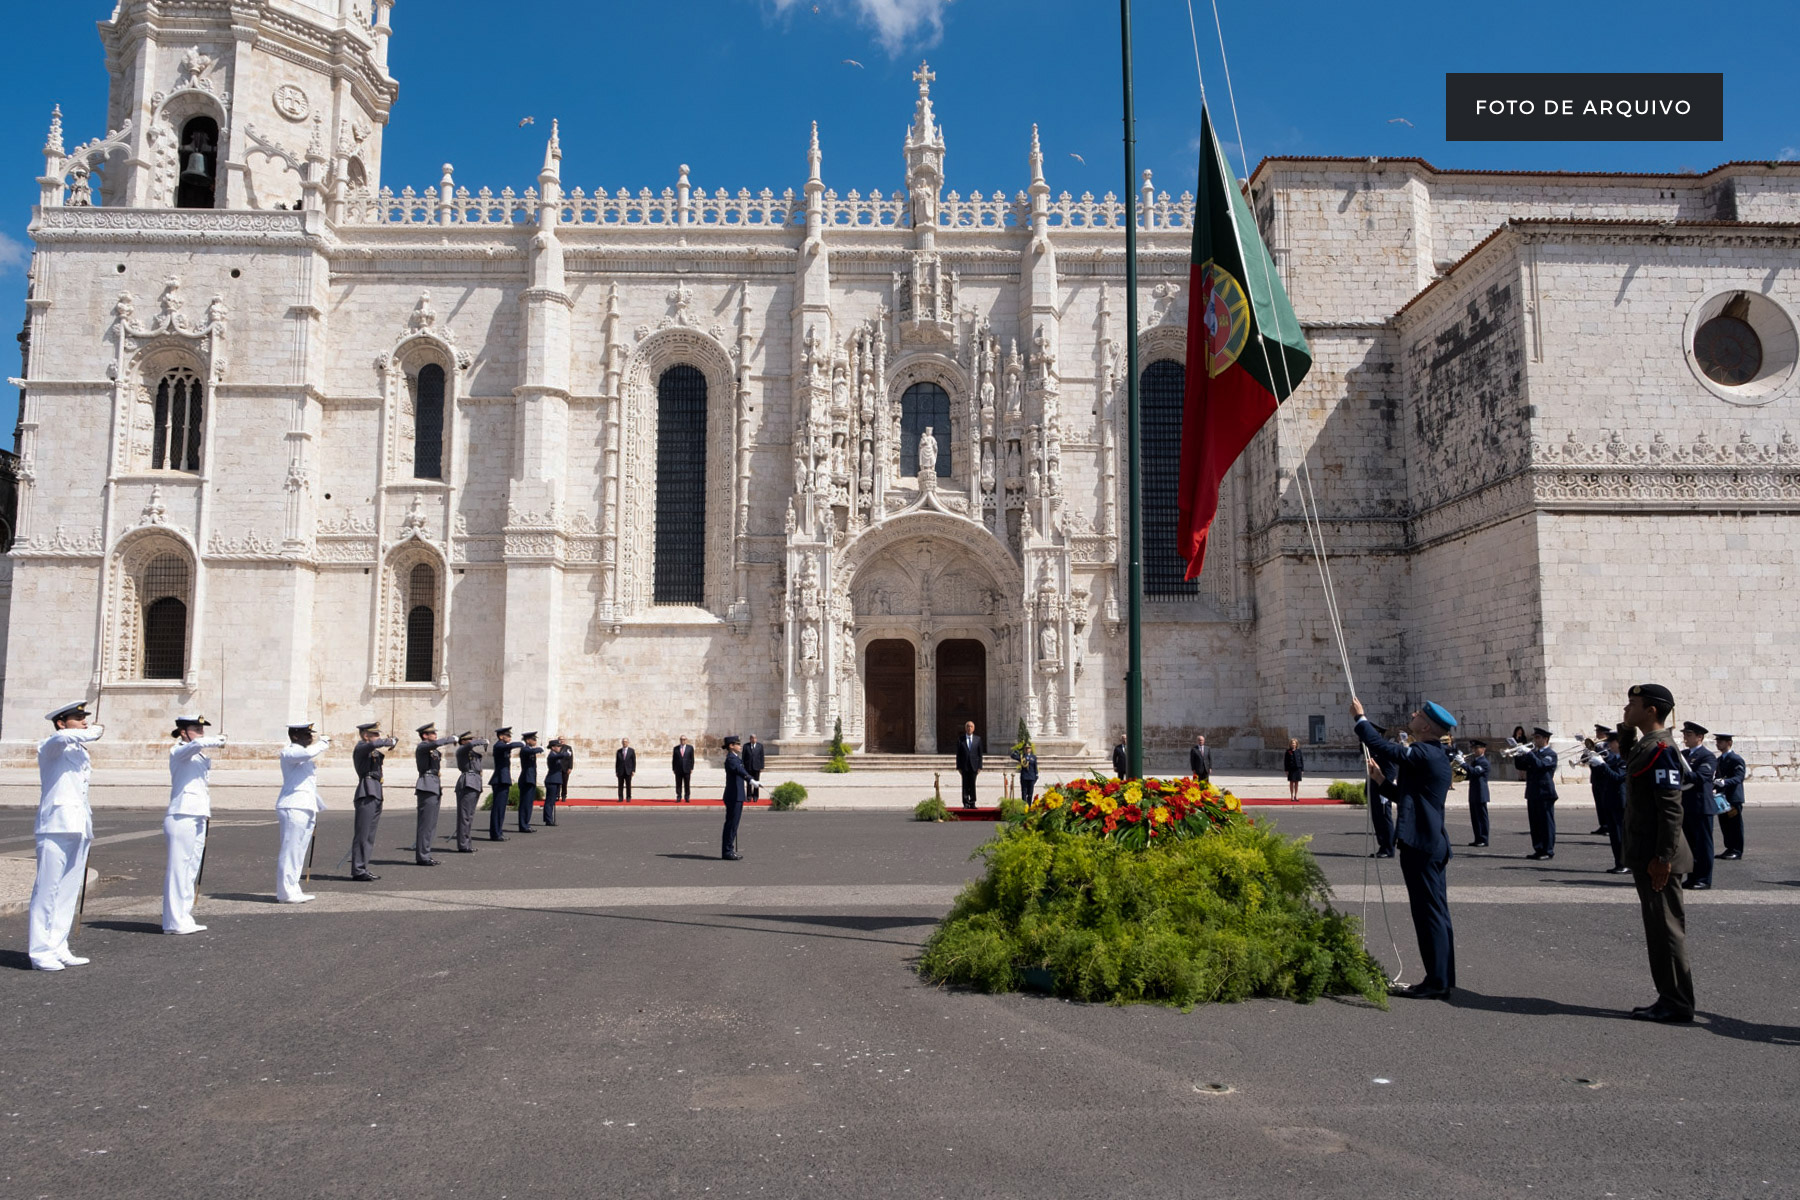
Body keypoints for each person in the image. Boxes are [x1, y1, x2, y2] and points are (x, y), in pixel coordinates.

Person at [1352, 696, 1458, 1000]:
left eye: (1418, 714)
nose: (1412, 715)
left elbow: (1387, 748)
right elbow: (1411, 798)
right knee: (1435, 912)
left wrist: (1361, 719)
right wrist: (1382, 781)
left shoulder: (1425, 751)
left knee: (1429, 914)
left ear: (1425, 725)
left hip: (1422, 844)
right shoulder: (1432, 753)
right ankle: (1441, 977)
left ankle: (1437, 982)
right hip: (1429, 841)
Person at [1616, 683, 1695, 1023]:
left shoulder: (1662, 748)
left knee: (1666, 930)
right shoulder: (1647, 745)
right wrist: (1625, 729)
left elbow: (1671, 809)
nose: (1626, 708)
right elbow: (1630, 758)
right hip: (1649, 854)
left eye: (1632, 704)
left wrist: (1662, 857)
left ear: (1651, 710)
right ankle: (1669, 996)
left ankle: (1677, 1003)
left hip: (1657, 857)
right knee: (1658, 928)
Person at [29, 702, 103, 971]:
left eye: (85, 717)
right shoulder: (51, 745)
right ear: (61, 722)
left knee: (69, 890)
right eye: (78, 717)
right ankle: (39, 951)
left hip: (79, 824)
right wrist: (92, 732)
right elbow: (62, 738)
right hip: (55, 825)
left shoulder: (79, 750)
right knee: (47, 890)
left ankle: (58, 945)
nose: (84, 722)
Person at [164, 714, 225, 934]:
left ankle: (183, 915)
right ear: (183, 732)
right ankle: (172, 921)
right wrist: (217, 740)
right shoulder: (179, 750)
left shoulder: (197, 754)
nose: (201, 733)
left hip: (197, 814)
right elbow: (197, 744)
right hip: (182, 814)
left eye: (202, 729)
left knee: (191, 869)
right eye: (196, 729)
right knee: (179, 869)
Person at [276, 721, 330, 902]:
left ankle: (293, 888)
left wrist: (319, 804)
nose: (310, 738)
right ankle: (285, 892)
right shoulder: (290, 751)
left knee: (299, 851)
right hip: (293, 806)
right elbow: (306, 753)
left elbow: (308, 785)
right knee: (290, 850)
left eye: (311, 735)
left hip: (305, 806)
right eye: (307, 735)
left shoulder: (304, 757)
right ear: (295, 736)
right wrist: (322, 743)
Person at [349, 722, 397, 881]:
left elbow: (376, 749)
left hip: (375, 789)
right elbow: (374, 745)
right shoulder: (361, 747)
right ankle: (358, 869)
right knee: (363, 833)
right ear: (365, 735)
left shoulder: (372, 750)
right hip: (367, 790)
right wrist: (387, 742)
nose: (378, 737)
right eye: (375, 734)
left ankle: (362, 867)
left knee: (369, 834)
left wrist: (391, 742)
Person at [1677, 721, 1716, 890]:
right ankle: (1692, 876)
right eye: (1685, 734)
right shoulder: (1684, 754)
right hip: (1686, 805)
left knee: (1703, 845)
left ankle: (1703, 878)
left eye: (1689, 735)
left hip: (1701, 806)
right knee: (1690, 845)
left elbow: (1702, 776)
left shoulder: (1707, 756)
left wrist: (1685, 773)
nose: (1685, 737)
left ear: (1699, 737)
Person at [412, 722, 457, 865]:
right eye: (432, 733)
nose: (435, 734)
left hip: (434, 785)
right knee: (425, 823)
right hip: (427, 785)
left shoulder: (432, 749)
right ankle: (422, 856)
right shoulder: (423, 746)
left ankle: (425, 854)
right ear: (425, 735)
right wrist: (450, 739)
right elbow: (435, 744)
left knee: (431, 824)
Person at [1587, 732, 1631, 874]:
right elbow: (1602, 776)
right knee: (1614, 835)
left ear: (1620, 743)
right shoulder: (1612, 759)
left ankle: (1625, 863)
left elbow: (1618, 778)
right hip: (1610, 800)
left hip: (1621, 802)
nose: (1609, 745)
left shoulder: (1626, 760)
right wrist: (1594, 763)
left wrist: (1602, 765)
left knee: (1621, 835)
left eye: (1612, 742)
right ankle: (1618, 862)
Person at [1514, 727, 1559, 859]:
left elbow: (1540, 765)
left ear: (1546, 739)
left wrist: (1528, 753)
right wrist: (1518, 753)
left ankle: (1548, 850)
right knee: (1535, 823)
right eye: (1534, 738)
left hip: (1545, 792)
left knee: (1546, 823)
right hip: (1533, 792)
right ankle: (1538, 848)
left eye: (1538, 738)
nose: (1535, 740)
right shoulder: (1535, 753)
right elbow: (1521, 766)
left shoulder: (1551, 754)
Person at [453, 732, 489, 851]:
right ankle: (463, 844)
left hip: (475, 782)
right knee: (465, 816)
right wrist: (480, 741)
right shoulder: (461, 750)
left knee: (469, 815)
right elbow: (469, 746)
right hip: (468, 782)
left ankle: (466, 843)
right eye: (469, 739)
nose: (471, 741)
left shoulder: (472, 753)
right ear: (463, 741)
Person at [1366, 728, 1398, 858]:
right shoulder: (1373, 749)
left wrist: (1385, 790)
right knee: (1377, 818)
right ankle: (1382, 846)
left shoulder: (1385, 749)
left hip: (1383, 790)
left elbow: (1391, 771)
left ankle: (1389, 848)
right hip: (1375, 788)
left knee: (1384, 818)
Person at [1713, 733, 1745, 860]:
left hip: (1733, 798)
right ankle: (1729, 848)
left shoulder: (1736, 759)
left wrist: (1725, 782)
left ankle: (1737, 850)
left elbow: (1739, 777)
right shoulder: (1720, 760)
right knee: (1725, 824)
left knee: (1735, 825)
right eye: (1717, 741)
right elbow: (1717, 778)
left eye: (1721, 741)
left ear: (1729, 743)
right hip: (1722, 798)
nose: (1718, 743)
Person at [720, 735, 752, 860]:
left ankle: (729, 849)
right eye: (737, 744)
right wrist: (750, 779)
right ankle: (727, 851)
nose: (740, 746)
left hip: (737, 795)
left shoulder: (736, 758)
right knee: (731, 824)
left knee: (733, 824)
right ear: (731, 746)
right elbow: (739, 770)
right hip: (733, 796)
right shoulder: (731, 759)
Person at [488, 727, 521, 840]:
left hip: (504, 779)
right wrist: (520, 743)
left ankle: (498, 832)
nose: (510, 738)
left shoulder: (504, 747)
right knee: (498, 808)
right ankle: (496, 833)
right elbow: (509, 746)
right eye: (508, 736)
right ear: (501, 736)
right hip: (500, 780)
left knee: (501, 808)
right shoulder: (499, 745)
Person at [1587, 724, 1615, 834]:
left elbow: (1609, 759)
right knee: (1599, 803)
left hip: (1605, 778)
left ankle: (1609, 825)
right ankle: (1603, 824)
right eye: (1597, 732)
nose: (1597, 734)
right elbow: (1584, 760)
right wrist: (1587, 751)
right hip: (1596, 778)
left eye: (1599, 732)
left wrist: (1597, 750)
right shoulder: (1595, 745)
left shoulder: (1609, 746)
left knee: (1606, 803)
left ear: (1604, 734)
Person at [1463, 740, 1491, 846]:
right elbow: (1468, 775)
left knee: (1482, 817)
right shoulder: (1475, 761)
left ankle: (1484, 839)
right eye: (1473, 748)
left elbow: (1475, 772)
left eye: (1476, 748)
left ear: (1483, 749)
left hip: (1481, 792)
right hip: (1474, 792)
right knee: (1475, 817)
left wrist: (1463, 763)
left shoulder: (1483, 762)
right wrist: (1459, 766)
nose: (1473, 750)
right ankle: (1478, 838)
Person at [516, 732, 544, 832]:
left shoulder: (530, 750)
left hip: (530, 779)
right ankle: (523, 825)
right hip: (526, 779)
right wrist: (540, 748)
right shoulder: (525, 749)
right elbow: (533, 751)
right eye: (533, 739)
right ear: (528, 740)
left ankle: (526, 824)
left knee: (528, 804)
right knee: (525, 804)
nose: (535, 741)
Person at [543, 738, 573, 825]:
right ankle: (548, 820)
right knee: (549, 801)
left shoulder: (556, 755)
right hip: (552, 780)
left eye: (560, 746)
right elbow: (561, 755)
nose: (560, 747)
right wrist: (567, 753)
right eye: (558, 746)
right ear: (553, 747)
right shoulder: (552, 755)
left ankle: (548, 818)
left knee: (552, 801)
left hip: (556, 780)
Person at [956, 720, 984, 809]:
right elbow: (958, 754)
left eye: (971, 726)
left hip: (974, 765)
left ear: (974, 728)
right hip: (964, 766)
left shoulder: (977, 739)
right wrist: (958, 766)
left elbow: (980, 754)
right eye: (968, 726)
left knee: (972, 784)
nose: (969, 728)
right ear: (965, 728)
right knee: (965, 785)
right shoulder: (961, 739)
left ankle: (972, 802)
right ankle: (965, 803)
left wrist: (980, 766)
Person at [1011, 740, 1039, 805]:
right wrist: (1017, 750)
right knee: (1024, 792)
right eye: (1026, 748)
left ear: (1030, 749)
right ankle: (1024, 805)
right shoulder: (1022, 756)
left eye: (1028, 748)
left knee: (1030, 793)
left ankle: (1029, 805)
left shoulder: (1033, 757)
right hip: (1024, 777)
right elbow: (1012, 756)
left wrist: (1036, 775)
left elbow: (1035, 766)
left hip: (1031, 777)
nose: (1027, 749)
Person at [671, 735, 695, 803]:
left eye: (684, 739)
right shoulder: (676, 748)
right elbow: (674, 759)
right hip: (678, 769)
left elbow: (692, 759)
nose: (683, 741)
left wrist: (691, 768)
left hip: (687, 769)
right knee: (678, 784)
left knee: (687, 784)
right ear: (680, 740)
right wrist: (673, 768)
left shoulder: (690, 748)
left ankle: (687, 797)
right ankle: (679, 797)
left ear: (686, 740)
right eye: (681, 739)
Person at [614, 737, 636, 802]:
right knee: (620, 785)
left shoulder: (631, 751)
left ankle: (628, 797)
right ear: (622, 743)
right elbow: (617, 762)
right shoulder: (619, 751)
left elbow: (633, 761)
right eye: (623, 742)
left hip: (628, 771)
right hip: (621, 771)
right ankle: (620, 798)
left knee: (628, 785)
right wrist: (616, 771)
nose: (624, 743)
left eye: (626, 742)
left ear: (628, 743)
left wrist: (633, 770)